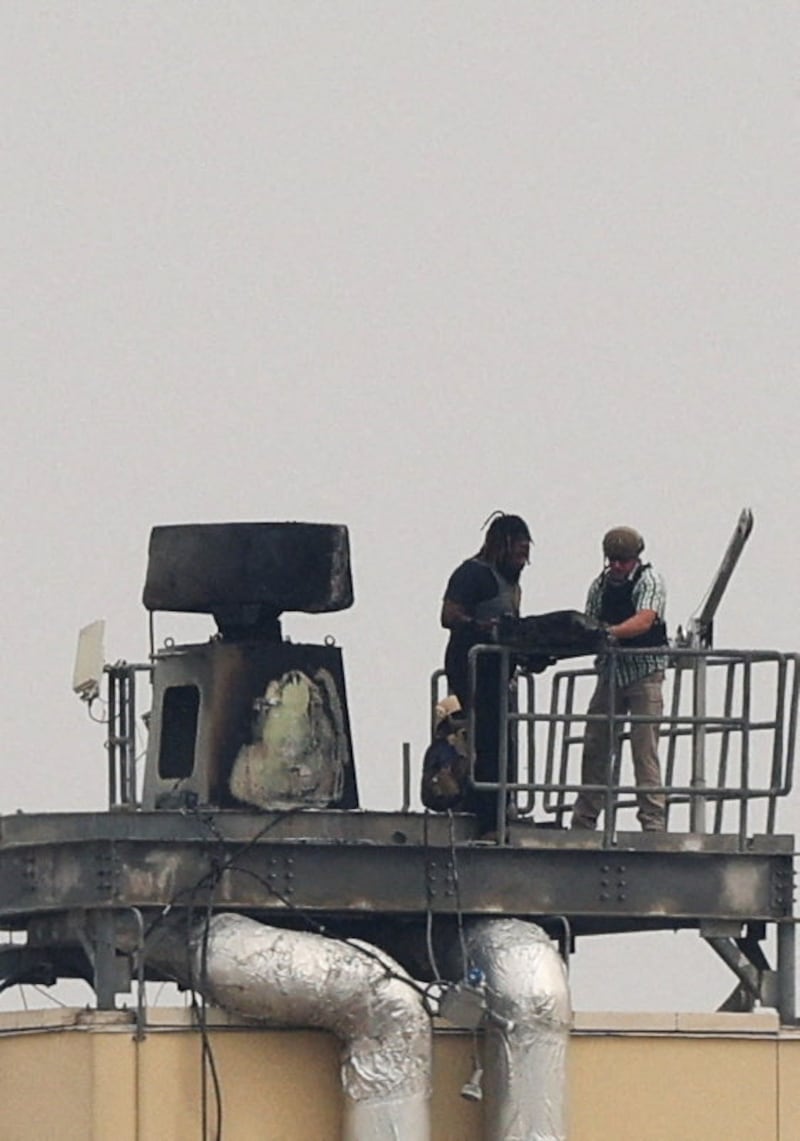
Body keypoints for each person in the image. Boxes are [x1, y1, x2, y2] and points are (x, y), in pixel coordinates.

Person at [571, 526, 668, 832]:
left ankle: (652, 823)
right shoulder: (599, 586)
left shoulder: (649, 581)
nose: (617, 566)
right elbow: (589, 622)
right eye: (612, 559)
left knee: (644, 749)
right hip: (611, 674)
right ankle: (584, 821)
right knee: (596, 746)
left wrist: (609, 633)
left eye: (623, 560)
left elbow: (644, 620)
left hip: (644, 673)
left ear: (635, 559)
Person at [440, 512, 532, 835]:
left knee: (502, 739)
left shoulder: (512, 581)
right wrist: (479, 627)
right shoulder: (472, 574)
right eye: (519, 552)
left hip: (499, 670)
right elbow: (448, 615)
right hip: (471, 667)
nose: (523, 560)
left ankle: (500, 805)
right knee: (482, 738)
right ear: (502, 545)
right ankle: (481, 808)